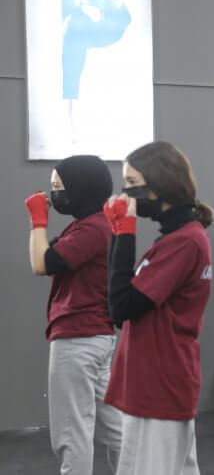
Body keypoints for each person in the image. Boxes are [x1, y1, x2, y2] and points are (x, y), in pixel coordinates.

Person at [102, 141, 214, 475]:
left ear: (160, 183)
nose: (126, 193)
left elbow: (121, 307)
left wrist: (124, 234)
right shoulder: (176, 239)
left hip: (160, 382)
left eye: (132, 183)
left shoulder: (185, 241)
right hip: (152, 377)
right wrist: (119, 234)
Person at [23, 155, 122, 475]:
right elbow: (47, 255)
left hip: (78, 340)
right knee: (116, 430)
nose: (54, 195)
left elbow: (41, 263)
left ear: (82, 188)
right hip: (96, 337)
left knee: (72, 433)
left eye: (58, 187)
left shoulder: (92, 228)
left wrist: (38, 221)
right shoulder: (91, 225)